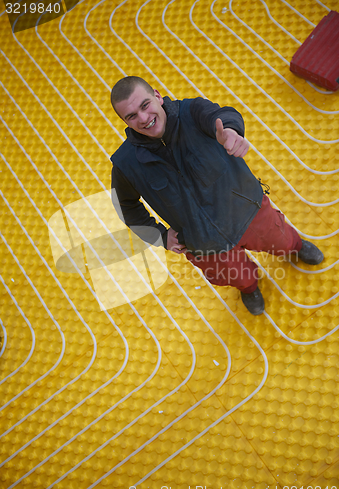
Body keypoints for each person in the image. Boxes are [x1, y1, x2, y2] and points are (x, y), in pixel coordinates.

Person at [109, 76, 324, 315]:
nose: (143, 118)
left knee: (281, 238)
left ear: (157, 96)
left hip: (248, 212)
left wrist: (231, 132)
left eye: (145, 105)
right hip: (203, 243)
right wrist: (160, 236)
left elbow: (223, 116)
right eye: (131, 116)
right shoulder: (125, 164)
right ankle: (249, 287)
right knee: (236, 275)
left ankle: (295, 246)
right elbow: (125, 205)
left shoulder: (192, 112)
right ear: (124, 122)